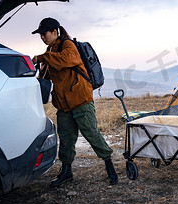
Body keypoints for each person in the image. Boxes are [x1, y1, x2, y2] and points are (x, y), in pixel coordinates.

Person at [31, 17, 118, 187]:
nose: (42, 37)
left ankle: (110, 167)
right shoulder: (51, 50)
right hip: (63, 105)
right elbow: (49, 75)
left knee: (92, 134)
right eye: (40, 35)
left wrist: (43, 57)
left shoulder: (67, 45)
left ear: (55, 32)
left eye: (44, 34)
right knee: (66, 138)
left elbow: (67, 60)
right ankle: (66, 171)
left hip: (80, 101)